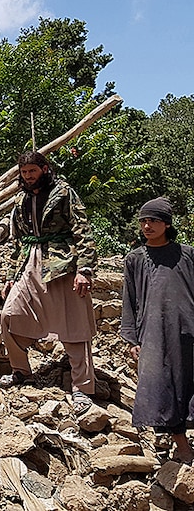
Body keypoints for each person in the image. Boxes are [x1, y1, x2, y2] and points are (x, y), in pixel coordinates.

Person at [0, 151, 98, 416]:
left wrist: (84, 270)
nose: (28, 176)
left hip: (62, 263)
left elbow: (82, 230)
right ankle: (21, 371)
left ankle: (82, 388)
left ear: (44, 169)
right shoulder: (21, 199)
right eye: (24, 172)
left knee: (74, 326)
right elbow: (17, 240)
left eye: (33, 171)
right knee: (9, 315)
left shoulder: (63, 192)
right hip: (29, 262)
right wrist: (10, 275)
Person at [121, 197, 194, 463]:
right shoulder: (135, 259)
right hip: (153, 333)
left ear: (167, 224)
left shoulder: (187, 254)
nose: (147, 226)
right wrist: (131, 338)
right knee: (163, 385)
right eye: (143, 221)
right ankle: (181, 445)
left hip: (188, 330)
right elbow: (129, 300)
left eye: (153, 220)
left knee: (189, 382)